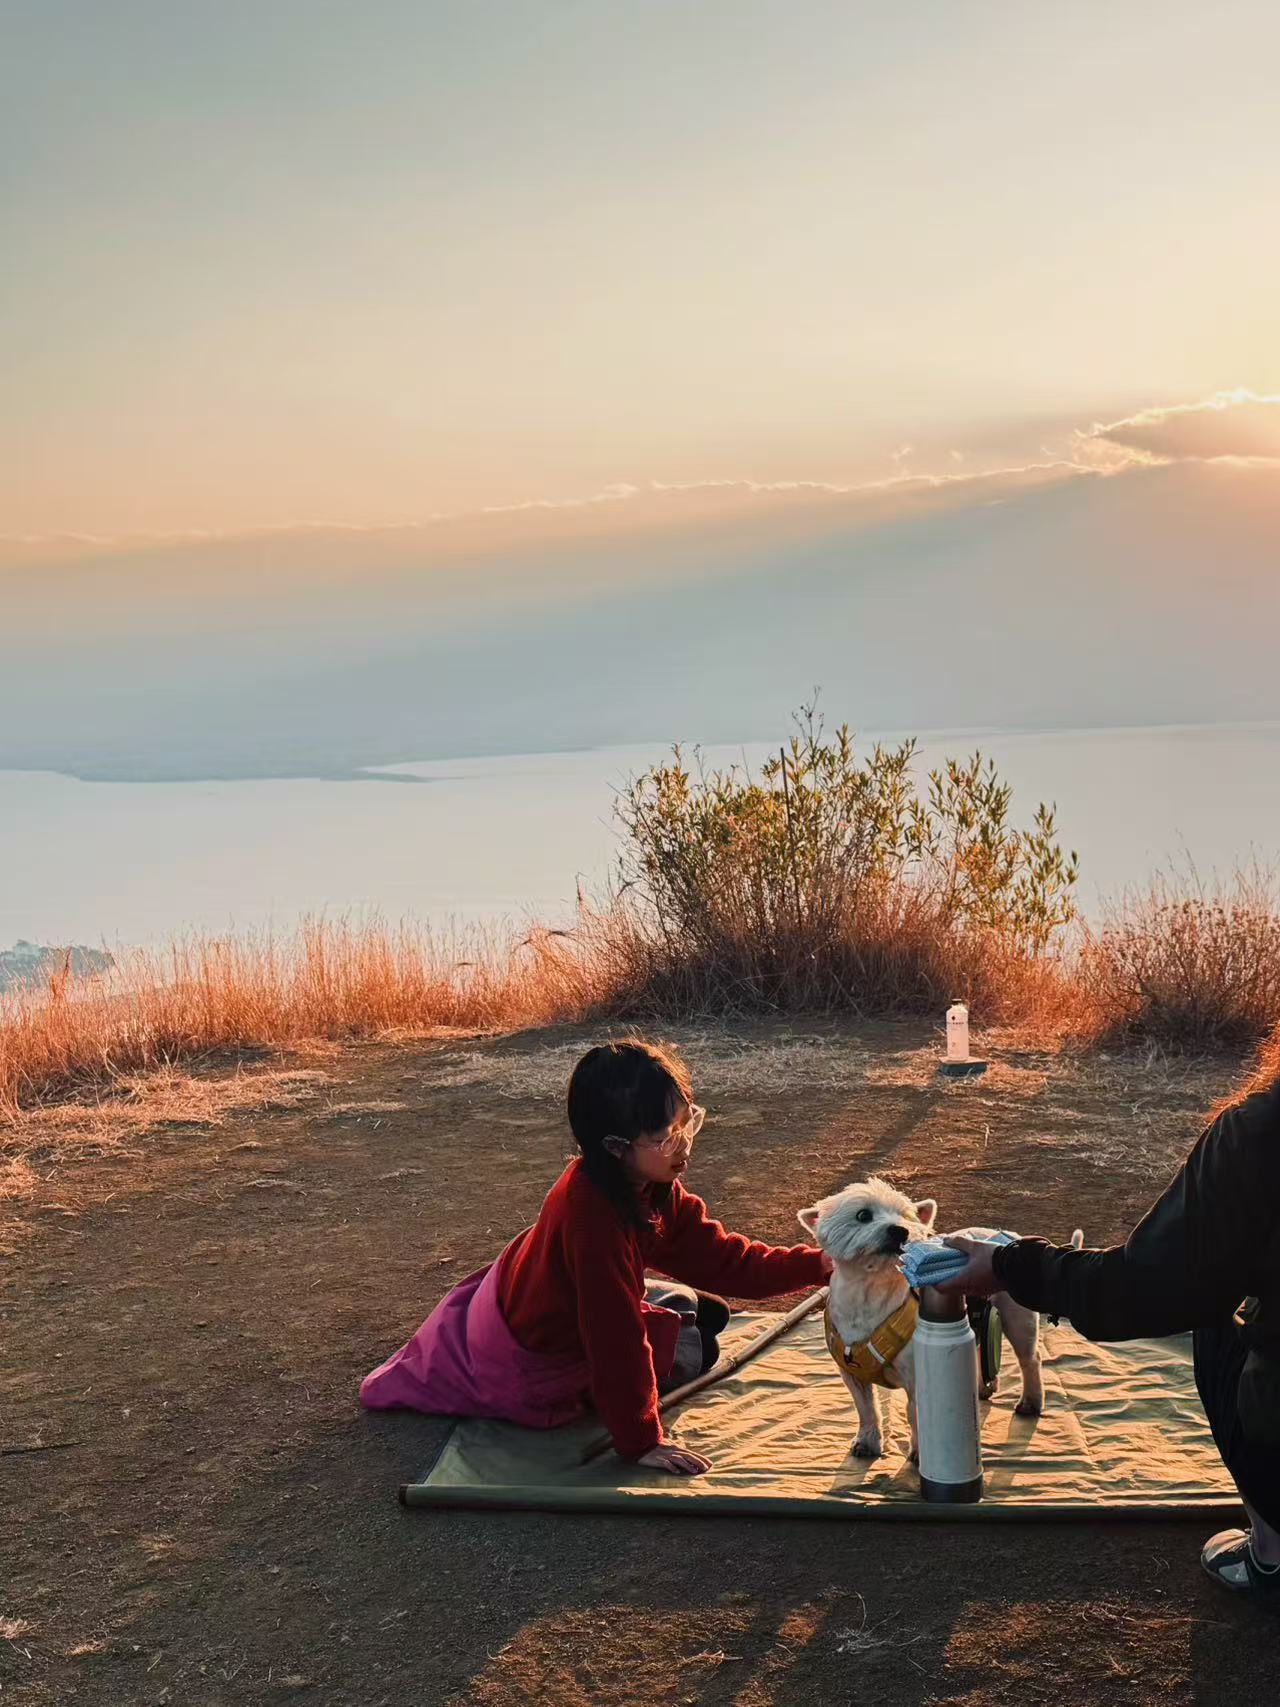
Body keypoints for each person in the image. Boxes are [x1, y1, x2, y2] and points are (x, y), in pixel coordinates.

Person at [360, 1037, 830, 1473]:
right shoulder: (594, 1219)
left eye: (687, 1123)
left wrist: (818, 1264)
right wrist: (642, 1440)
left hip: (555, 1296)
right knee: (699, 1349)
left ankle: (678, 1324)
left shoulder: (651, 1182)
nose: (683, 1143)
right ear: (614, 1146)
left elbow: (724, 1260)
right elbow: (614, 1338)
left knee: (706, 1308)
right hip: (537, 1348)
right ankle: (676, 1339)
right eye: (667, 1135)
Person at [940, 1028, 1280, 1595]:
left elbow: (1146, 1287)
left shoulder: (1263, 1130)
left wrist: (1009, 1267)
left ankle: (1272, 1552)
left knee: (1219, 1318)